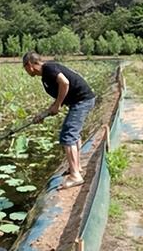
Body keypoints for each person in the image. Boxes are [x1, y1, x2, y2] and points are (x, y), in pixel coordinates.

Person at [22, 51, 96, 190]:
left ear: (30, 65)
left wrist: (57, 104)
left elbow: (65, 82)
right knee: (74, 133)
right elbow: (59, 99)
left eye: (25, 67)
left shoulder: (48, 68)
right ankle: (77, 167)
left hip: (82, 101)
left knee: (68, 135)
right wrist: (44, 114)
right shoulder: (46, 75)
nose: (26, 71)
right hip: (79, 101)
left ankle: (75, 176)